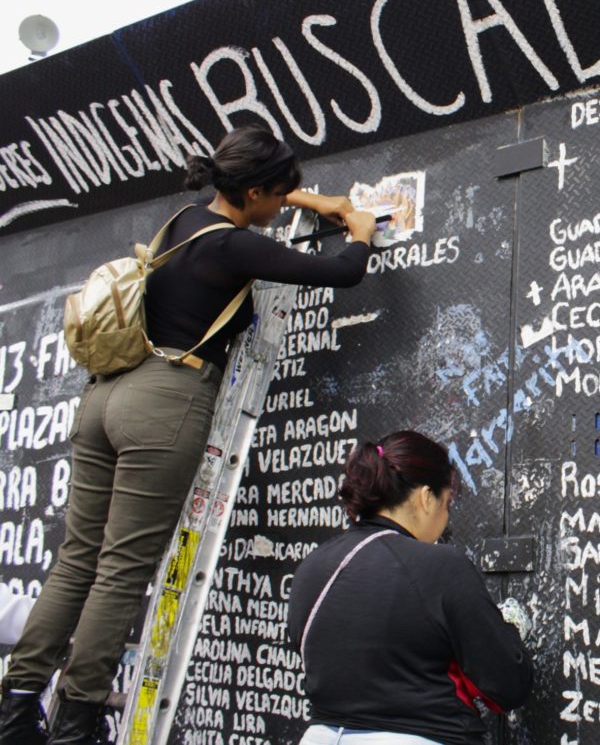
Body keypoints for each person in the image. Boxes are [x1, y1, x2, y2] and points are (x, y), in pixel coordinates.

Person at [0, 125, 378, 745]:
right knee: (124, 570)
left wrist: (317, 202)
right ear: (254, 191)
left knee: (76, 562)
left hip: (105, 395)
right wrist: (359, 232)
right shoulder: (235, 249)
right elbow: (341, 274)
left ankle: (16, 708)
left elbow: (258, 205)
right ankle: (78, 718)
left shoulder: (184, 221)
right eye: (280, 196)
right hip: (165, 400)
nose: (285, 204)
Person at [288, 431, 532, 745]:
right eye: (447, 504)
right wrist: (509, 629)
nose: (446, 521)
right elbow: (509, 684)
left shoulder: (311, 568)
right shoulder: (441, 566)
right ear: (426, 498)